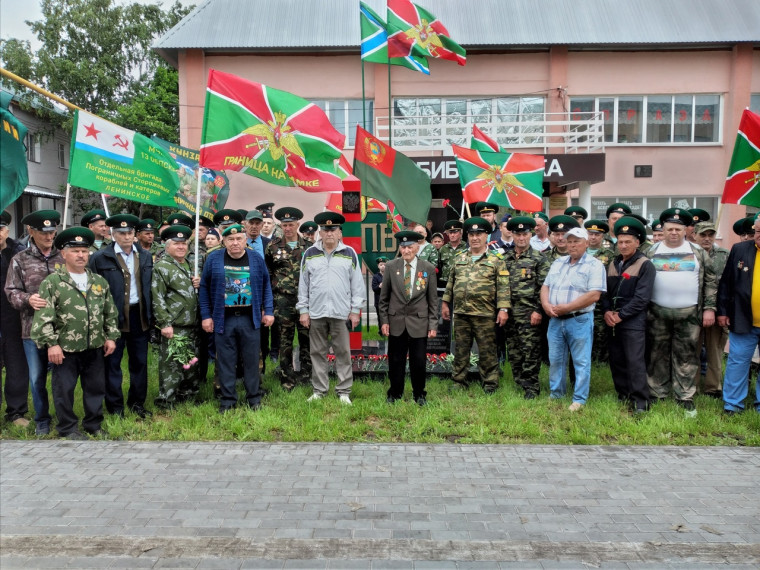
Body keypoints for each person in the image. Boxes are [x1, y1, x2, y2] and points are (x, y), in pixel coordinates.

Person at [30, 227, 119, 439]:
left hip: (94, 346)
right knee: (64, 391)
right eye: (75, 251)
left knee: (96, 388)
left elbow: (110, 311)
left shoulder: (98, 282)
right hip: (65, 349)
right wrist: (51, 343)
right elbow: (43, 318)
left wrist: (111, 336)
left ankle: (93, 424)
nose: (81, 255)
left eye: (84, 251)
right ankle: (67, 428)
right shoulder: (53, 282)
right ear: (63, 254)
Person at [645, 208, 717, 414]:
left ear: (686, 230)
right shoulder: (651, 251)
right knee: (656, 353)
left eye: (678, 229)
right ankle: (657, 392)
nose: (674, 233)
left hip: (690, 314)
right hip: (657, 312)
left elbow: (711, 282)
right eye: (670, 229)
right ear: (663, 230)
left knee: (686, 355)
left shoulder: (698, 253)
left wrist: (709, 309)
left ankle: (684, 395)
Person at [200, 224, 274, 412]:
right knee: (225, 360)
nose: (235, 243)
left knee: (251, 360)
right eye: (230, 240)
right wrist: (206, 316)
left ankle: (254, 398)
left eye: (238, 239)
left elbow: (266, 285)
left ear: (244, 240)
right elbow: (204, 288)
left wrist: (269, 310)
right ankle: (228, 400)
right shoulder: (214, 259)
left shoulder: (256, 259)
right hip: (224, 318)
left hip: (250, 318)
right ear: (224, 241)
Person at [4, 210, 64, 435]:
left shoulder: (64, 256)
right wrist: (28, 298)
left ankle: (65, 418)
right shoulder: (20, 259)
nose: (49, 237)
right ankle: (42, 420)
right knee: (37, 377)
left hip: (62, 329)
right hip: (33, 329)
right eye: (43, 233)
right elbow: (11, 292)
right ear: (31, 231)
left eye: (52, 232)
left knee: (63, 377)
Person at [89, 214, 153, 418]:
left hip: (138, 315)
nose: (126, 237)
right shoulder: (100, 257)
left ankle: (137, 404)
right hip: (113, 317)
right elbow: (93, 290)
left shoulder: (144, 256)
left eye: (130, 233)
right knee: (112, 364)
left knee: (140, 362)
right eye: (122, 233)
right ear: (113, 235)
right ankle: (115, 408)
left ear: (135, 234)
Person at [297, 212, 365, 404]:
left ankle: (344, 391)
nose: (329, 233)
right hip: (317, 312)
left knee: (343, 352)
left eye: (333, 230)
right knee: (317, 352)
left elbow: (357, 285)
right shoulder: (309, 254)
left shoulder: (349, 253)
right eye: (325, 230)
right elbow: (304, 284)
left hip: (340, 312)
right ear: (320, 232)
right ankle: (319, 390)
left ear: (339, 233)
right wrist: (303, 310)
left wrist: (355, 310)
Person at [441, 217, 510, 394]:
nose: (475, 238)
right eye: (471, 234)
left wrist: (503, 309)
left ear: (486, 235)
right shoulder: (459, 258)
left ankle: (490, 384)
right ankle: (459, 381)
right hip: (461, 313)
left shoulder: (496, 260)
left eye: (479, 234)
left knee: (487, 351)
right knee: (461, 350)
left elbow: (503, 286)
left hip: (485, 314)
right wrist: (445, 303)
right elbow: (451, 282)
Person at [541, 226, 606, 411]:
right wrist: (546, 305)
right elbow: (545, 287)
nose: (572, 245)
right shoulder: (558, 262)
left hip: (579, 319)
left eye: (576, 241)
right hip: (555, 319)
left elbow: (594, 295)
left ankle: (579, 399)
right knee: (555, 359)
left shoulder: (594, 265)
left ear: (586, 243)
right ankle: (556, 394)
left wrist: (567, 308)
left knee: (581, 361)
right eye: (569, 242)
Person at [601, 217, 655, 414]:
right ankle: (623, 394)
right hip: (612, 319)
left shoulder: (645, 264)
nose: (623, 246)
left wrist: (620, 315)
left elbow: (642, 298)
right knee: (617, 359)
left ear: (637, 242)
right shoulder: (613, 263)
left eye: (627, 242)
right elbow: (604, 292)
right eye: (620, 242)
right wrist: (607, 311)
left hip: (633, 320)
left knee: (635, 361)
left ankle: (640, 401)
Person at [379, 230, 438, 405]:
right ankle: (395, 393)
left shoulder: (427, 268)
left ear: (417, 247)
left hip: (419, 322)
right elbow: (384, 298)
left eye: (410, 247)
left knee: (418, 361)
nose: (406, 251)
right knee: (396, 360)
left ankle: (419, 394)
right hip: (396, 321)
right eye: (403, 247)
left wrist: (433, 324)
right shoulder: (391, 266)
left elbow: (432, 300)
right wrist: (384, 321)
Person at [151, 225, 201, 409]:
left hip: (191, 322)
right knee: (171, 365)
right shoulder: (162, 267)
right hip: (174, 324)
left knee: (190, 362)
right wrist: (164, 323)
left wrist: (198, 282)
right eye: (177, 244)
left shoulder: (188, 264)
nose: (181, 247)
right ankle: (166, 400)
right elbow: (157, 297)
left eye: (184, 244)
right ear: (167, 246)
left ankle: (187, 395)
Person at [502, 216, 550, 399]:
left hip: (530, 313)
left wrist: (539, 310)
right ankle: (519, 381)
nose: (521, 238)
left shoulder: (539, 259)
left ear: (530, 235)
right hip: (510, 313)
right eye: (518, 234)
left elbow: (544, 287)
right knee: (513, 350)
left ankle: (531, 387)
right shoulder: (505, 258)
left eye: (525, 234)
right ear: (512, 235)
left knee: (530, 350)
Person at [716, 214, 760, 415]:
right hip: (743, 318)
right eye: (758, 231)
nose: (759, 236)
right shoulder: (740, 249)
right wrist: (723, 311)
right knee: (737, 361)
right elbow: (726, 283)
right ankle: (733, 404)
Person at [265, 207, 312, 390]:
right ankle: (287, 377)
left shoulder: (309, 247)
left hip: (305, 302)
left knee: (306, 339)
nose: (288, 228)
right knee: (284, 341)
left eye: (291, 225)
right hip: (282, 302)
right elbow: (268, 273)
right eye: (284, 225)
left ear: (297, 225)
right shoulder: (273, 246)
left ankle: (307, 375)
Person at [0, 210, 30, 427]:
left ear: (7, 230)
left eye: (0, 228)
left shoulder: (19, 253)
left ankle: (16, 413)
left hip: (13, 317)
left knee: (16, 366)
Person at [694, 221, 729, 398]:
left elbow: (729, 283)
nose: (707, 239)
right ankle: (691, 387)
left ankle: (713, 388)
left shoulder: (724, 255)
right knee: (692, 350)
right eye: (703, 235)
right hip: (693, 310)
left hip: (717, 310)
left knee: (715, 350)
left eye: (710, 235)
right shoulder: (690, 253)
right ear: (695, 235)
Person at [585, 220, 615, 363]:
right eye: (590, 234)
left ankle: (599, 362)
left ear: (603, 236)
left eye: (597, 235)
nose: (593, 237)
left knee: (599, 332)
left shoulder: (609, 254)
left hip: (601, 300)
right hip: (582, 298)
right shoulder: (580, 251)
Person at [438, 220, 467, 290]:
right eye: (450, 233)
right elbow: (439, 266)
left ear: (460, 233)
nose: (452, 235)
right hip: (445, 283)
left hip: (462, 283)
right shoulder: (443, 249)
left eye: (455, 232)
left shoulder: (467, 248)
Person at [371, 256, 387, 330]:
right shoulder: (375, 276)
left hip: (388, 301)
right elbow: (374, 288)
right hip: (379, 301)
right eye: (381, 265)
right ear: (378, 266)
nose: (383, 266)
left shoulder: (389, 275)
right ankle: (381, 331)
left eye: (385, 264)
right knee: (380, 316)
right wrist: (379, 286)